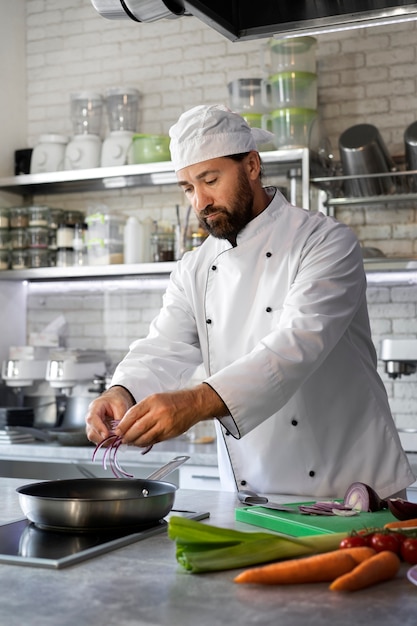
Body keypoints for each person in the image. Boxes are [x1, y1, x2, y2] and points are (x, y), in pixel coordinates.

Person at [86, 103, 415, 499]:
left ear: (252, 166)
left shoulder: (325, 242)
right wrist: (121, 391)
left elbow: (295, 347)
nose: (200, 201)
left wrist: (194, 402)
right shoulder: (194, 268)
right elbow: (163, 347)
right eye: (189, 187)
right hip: (252, 494)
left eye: (210, 179)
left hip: (350, 483)